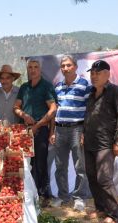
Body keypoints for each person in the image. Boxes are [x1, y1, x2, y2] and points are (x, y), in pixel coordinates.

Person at [83, 59, 118, 223]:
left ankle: (115, 217)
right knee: (92, 176)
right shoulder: (91, 93)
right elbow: (89, 117)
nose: (94, 76)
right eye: (92, 73)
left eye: (98, 73)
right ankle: (101, 209)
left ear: (107, 74)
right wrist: (83, 134)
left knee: (104, 179)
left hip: (105, 144)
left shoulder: (117, 93)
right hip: (89, 142)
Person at [48, 55, 91, 211]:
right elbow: (55, 111)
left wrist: (84, 132)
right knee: (60, 166)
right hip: (60, 129)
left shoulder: (84, 85)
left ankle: (80, 198)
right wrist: (52, 132)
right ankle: (63, 196)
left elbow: (90, 111)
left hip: (77, 129)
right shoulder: (58, 86)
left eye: (68, 65)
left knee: (80, 166)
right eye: (63, 66)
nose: (65, 68)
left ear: (75, 66)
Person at [13, 59, 58, 207]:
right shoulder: (24, 87)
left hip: (40, 130)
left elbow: (53, 109)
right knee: (27, 164)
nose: (33, 70)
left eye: (36, 67)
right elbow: (16, 107)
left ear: (40, 69)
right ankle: (30, 194)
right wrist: (23, 115)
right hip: (25, 131)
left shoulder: (46, 86)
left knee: (41, 163)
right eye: (30, 67)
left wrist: (38, 126)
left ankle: (44, 195)